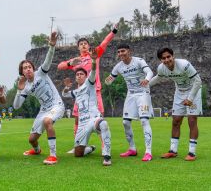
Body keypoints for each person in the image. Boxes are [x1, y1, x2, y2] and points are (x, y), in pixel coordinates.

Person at [57, 24, 117, 153]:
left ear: (89, 46)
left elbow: (105, 42)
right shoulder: (76, 60)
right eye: (81, 43)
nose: (83, 45)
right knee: (78, 119)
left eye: (85, 43)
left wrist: (113, 32)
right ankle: (78, 145)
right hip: (81, 95)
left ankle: (103, 146)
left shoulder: (94, 54)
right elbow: (60, 66)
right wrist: (69, 63)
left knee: (99, 118)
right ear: (78, 47)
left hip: (95, 92)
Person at [13, 31, 64, 165]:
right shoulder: (25, 87)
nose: (28, 69)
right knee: (31, 139)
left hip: (56, 105)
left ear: (33, 68)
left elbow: (48, 59)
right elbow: (16, 106)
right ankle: (37, 150)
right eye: (25, 68)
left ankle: (53, 155)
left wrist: (52, 46)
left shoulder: (41, 73)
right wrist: (19, 90)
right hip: (44, 109)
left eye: (29, 67)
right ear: (22, 72)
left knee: (48, 121)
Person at [150, 47, 202, 161]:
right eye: (164, 58)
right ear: (161, 60)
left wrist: (190, 98)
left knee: (192, 120)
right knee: (176, 121)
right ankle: (173, 151)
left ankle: (192, 153)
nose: (167, 60)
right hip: (179, 92)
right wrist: (146, 84)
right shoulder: (162, 68)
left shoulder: (184, 64)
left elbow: (198, 81)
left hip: (194, 90)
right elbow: (158, 78)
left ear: (173, 56)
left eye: (169, 56)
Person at [62, 48, 112, 166]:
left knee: (103, 124)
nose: (79, 76)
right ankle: (90, 148)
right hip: (82, 124)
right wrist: (66, 88)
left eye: (81, 74)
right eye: (77, 74)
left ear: (86, 77)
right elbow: (64, 94)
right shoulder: (76, 91)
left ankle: (107, 155)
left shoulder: (89, 84)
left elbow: (93, 71)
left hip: (93, 119)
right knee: (78, 154)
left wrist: (94, 60)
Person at [105, 44, 154, 161]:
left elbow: (150, 72)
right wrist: (105, 81)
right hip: (130, 94)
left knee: (144, 120)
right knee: (125, 123)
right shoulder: (118, 67)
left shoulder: (139, 61)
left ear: (129, 51)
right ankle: (132, 149)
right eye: (118, 52)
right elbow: (109, 80)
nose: (121, 54)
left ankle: (148, 152)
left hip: (143, 93)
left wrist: (147, 79)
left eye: (123, 51)